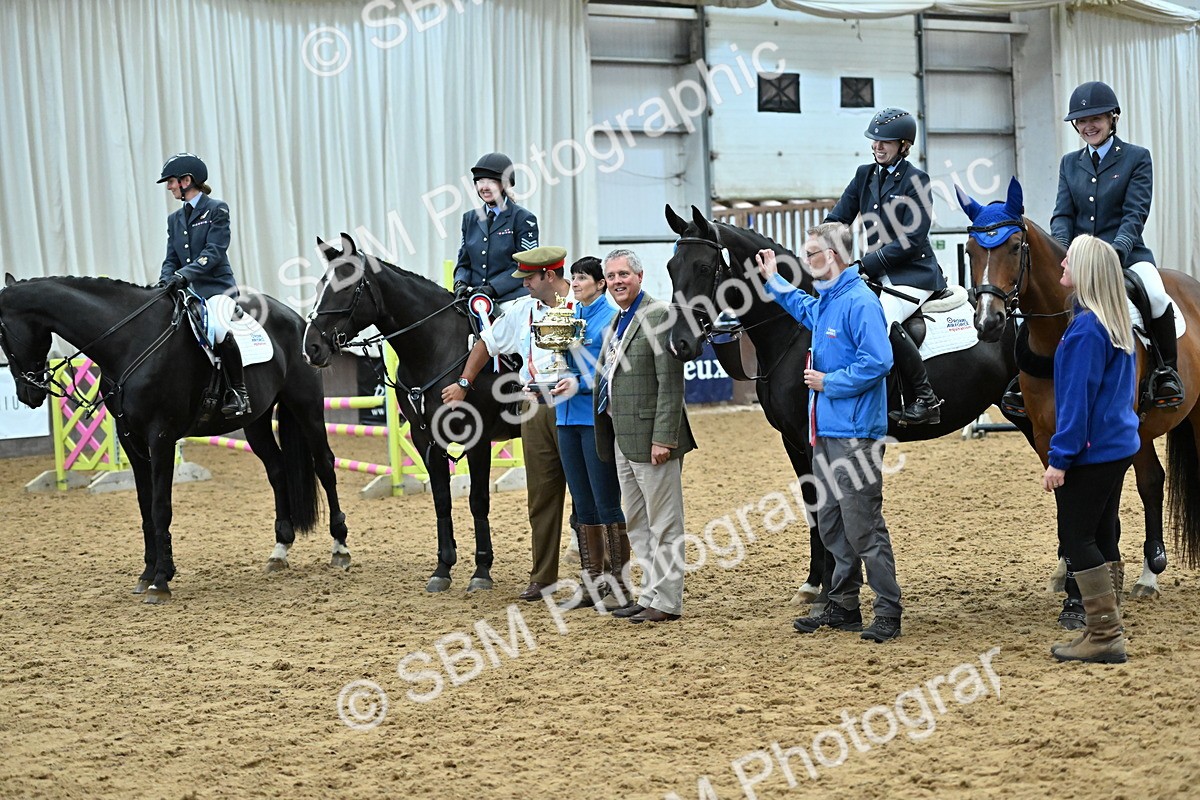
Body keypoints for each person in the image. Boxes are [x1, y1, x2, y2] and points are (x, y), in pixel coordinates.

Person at [756, 222, 903, 643]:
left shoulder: (859, 301)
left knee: (863, 526)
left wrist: (830, 383)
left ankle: (888, 611)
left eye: (812, 254)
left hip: (855, 434)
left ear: (834, 256)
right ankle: (843, 606)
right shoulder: (828, 300)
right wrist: (775, 281)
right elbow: (802, 306)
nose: (806, 261)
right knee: (832, 523)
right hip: (826, 433)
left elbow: (879, 360)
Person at [441, 246, 572, 601]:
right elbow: (486, 342)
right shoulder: (521, 310)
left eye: (528, 277)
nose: (523, 284)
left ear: (549, 274)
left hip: (578, 406)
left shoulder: (582, 304)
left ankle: (603, 576)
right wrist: (466, 383)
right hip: (535, 407)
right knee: (541, 496)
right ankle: (543, 576)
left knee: (591, 495)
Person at [1049, 80, 1183, 409]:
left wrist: (1111, 255)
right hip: (1078, 259)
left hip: (1127, 255)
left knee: (1154, 294)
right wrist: (1062, 251)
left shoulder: (1137, 158)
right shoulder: (1069, 163)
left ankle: (1167, 372)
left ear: (1113, 118)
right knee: (1043, 295)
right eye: (1081, 120)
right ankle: (1025, 376)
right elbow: (1062, 215)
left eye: (1095, 118)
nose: (1087, 126)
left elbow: (1134, 215)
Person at [1043, 235, 1138, 664]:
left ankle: (1104, 634)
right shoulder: (1112, 322)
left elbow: (1076, 400)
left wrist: (1059, 458)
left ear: (1089, 272)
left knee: (1076, 538)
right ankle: (1103, 628)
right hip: (1117, 446)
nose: (1062, 262)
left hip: (1091, 451)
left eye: (1071, 259)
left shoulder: (1084, 329)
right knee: (1101, 534)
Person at [594, 249, 696, 623]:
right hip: (623, 437)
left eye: (624, 274)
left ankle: (667, 602)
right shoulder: (618, 321)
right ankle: (650, 593)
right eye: (612, 276)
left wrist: (664, 439)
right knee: (637, 523)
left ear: (639, 276)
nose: (618, 281)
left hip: (652, 440)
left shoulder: (657, 316)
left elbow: (670, 386)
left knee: (665, 523)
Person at [827, 107, 945, 426]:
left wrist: (864, 264)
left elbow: (912, 238)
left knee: (882, 318)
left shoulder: (916, 180)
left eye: (886, 142)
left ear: (903, 145)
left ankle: (926, 399)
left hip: (914, 274)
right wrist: (822, 246)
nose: (878, 147)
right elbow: (838, 218)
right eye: (875, 141)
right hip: (877, 274)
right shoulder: (864, 175)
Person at [550, 256, 627, 611]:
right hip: (566, 420)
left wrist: (576, 383)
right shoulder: (570, 317)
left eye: (582, 278)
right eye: (573, 278)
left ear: (600, 284)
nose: (576, 283)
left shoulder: (610, 320)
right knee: (582, 505)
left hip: (594, 420)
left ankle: (620, 585)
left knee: (606, 501)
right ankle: (592, 581)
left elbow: (608, 371)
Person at [156, 152, 249, 417]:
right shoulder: (174, 220)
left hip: (217, 288)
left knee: (219, 328)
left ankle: (238, 393)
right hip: (186, 290)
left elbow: (214, 251)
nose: (169, 187)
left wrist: (184, 275)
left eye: (171, 182)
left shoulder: (216, 209)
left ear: (186, 180)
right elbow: (171, 258)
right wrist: (164, 282)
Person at [452, 152, 539, 310]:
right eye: (480, 181)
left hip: (510, 299)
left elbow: (524, 266)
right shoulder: (469, 219)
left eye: (491, 181)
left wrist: (492, 288)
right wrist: (460, 284)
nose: (484, 187)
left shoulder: (523, 219)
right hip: (474, 298)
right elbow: (464, 263)